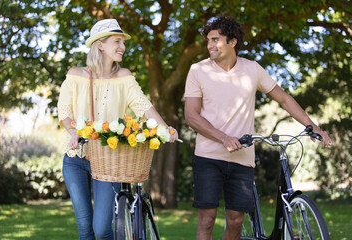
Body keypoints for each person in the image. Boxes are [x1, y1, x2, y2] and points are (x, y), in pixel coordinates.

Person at [184, 16, 332, 240]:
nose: (210, 45)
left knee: (235, 221)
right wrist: (223, 137)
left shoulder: (252, 69)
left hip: (242, 158)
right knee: (207, 220)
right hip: (208, 157)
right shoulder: (198, 70)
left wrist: (314, 127)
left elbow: (283, 99)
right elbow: (191, 116)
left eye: (215, 40)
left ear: (232, 42)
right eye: (208, 40)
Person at [57, 19, 178, 240]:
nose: (122, 47)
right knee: (85, 231)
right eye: (117, 41)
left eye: (123, 42)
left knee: (102, 230)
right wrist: (73, 131)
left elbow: (144, 106)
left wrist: (165, 127)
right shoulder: (76, 74)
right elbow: (64, 111)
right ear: (100, 45)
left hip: (107, 161)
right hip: (76, 159)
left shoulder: (124, 77)